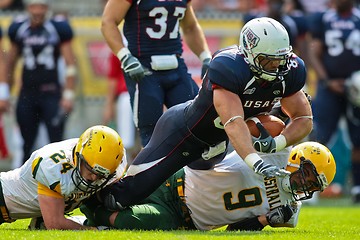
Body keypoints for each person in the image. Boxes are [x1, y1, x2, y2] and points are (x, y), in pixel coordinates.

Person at [99, 17, 313, 210]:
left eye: (281, 59)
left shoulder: (291, 70)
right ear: (250, 53)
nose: (277, 67)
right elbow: (233, 121)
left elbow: (304, 118)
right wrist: (256, 161)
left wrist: (277, 143)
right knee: (124, 196)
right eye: (269, 61)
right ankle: (85, 202)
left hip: (216, 147)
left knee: (197, 198)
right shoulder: (229, 67)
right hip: (184, 135)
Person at [77, 141, 335, 231]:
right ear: (296, 160)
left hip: (183, 218)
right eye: (307, 175)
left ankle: (84, 217)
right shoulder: (278, 154)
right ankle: (72, 199)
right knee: (115, 192)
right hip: (176, 181)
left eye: (313, 184)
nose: (305, 184)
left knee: (133, 221)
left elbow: (233, 230)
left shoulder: (290, 210)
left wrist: (265, 221)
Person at [101, 0, 212, 146]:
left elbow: (190, 27)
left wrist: (206, 57)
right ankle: (149, 167)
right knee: (151, 134)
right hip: (143, 69)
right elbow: (108, 21)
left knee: (196, 120)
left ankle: (193, 167)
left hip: (175, 64)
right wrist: (125, 56)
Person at [0, 125, 126, 230]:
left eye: (100, 174)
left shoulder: (113, 162)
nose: (94, 177)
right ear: (79, 155)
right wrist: (94, 231)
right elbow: (55, 224)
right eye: (90, 169)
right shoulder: (52, 164)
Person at [6, 0, 77, 164]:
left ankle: (58, 183)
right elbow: (10, 62)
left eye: (41, 6)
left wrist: (68, 94)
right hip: (27, 94)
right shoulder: (19, 28)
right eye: (34, 6)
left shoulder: (57, 28)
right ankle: (24, 185)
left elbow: (70, 63)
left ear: (48, 8)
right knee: (26, 144)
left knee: (57, 145)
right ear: (27, 8)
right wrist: (5, 92)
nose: (37, 11)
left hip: (51, 93)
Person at [307, 0, 360, 203]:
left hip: (356, 88)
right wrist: (327, 81)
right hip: (329, 88)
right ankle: (310, 188)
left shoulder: (357, 19)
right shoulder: (323, 19)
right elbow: (314, 51)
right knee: (319, 137)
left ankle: (357, 187)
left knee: (359, 140)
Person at [103, 53, 139, 162]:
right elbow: (113, 77)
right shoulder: (119, 45)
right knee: (125, 141)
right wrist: (109, 105)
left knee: (148, 140)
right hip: (126, 95)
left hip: (149, 94)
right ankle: (126, 163)